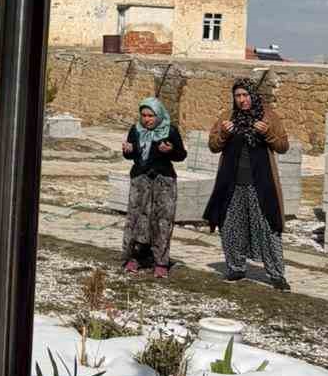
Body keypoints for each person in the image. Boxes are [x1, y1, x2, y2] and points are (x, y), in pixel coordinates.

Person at [203, 79, 291, 290]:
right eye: (238, 96)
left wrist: (267, 133)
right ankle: (236, 268)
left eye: (245, 95)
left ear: (253, 95)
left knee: (267, 227)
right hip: (231, 182)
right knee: (231, 226)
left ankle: (276, 274)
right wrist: (224, 133)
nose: (242, 100)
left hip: (260, 183)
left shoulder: (268, 116)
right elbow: (213, 146)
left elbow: (283, 146)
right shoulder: (227, 117)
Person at [120, 96, 187, 277]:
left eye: (151, 115)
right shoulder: (136, 130)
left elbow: (181, 155)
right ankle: (134, 257)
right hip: (140, 180)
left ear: (159, 115)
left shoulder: (170, 131)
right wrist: (128, 150)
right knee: (137, 219)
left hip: (163, 181)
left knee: (162, 220)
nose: (147, 119)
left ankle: (160, 262)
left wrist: (170, 150)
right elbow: (131, 154)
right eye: (144, 115)